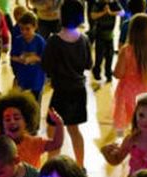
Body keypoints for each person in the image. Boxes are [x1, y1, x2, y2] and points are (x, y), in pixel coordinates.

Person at [42, 0, 92, 167]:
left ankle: (52, 164)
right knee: (74, 130)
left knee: (53, 130)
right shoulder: (84, 39)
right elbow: (88, 64)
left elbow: (46, 66)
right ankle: (80, 166)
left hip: (61, 92)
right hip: (78, 90)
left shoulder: (54, 41)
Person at [113, 13, 147, 138]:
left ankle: (123, 143)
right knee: (142, 121)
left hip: (126, 91)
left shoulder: (126, 50)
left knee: (124, 121)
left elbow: (118, 74)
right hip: (145, 91)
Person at [10, 12, 46, 103]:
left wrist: (34, 58)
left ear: (35, 27)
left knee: (36, 103)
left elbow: (46, 58)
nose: (24, 32)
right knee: (22, 104)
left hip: (36, 79)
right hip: (22, 78)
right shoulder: (18, 40)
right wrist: (20, 59)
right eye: (22, 29)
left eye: (27, 29)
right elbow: (12, 57)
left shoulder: (40, 41)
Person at [90, 0, 118, 83]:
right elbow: (92, 16)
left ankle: (108, 73)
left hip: (110, 35)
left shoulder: (114, 3)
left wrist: (110, 12)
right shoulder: (97, 4)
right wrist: (103, 12)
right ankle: (97, 71)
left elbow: (122, 12)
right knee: (99, 56)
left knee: (110, 56)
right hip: (100, 35)